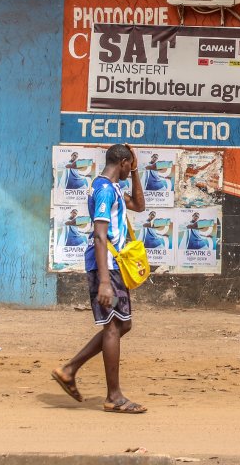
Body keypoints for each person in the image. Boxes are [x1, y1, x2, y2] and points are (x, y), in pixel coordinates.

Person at [52, 144, 147, 414]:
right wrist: (104, 280)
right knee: (114, 328)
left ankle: (69, 369)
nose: (131, 169)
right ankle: (114, 397)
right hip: (108, 266)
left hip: (114, 266)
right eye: (131, 165)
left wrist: (137, 171)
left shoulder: (113, 188)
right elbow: (99, 235)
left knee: (121, 326)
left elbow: (139, 205)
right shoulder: (105, 190)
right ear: (123, 163)